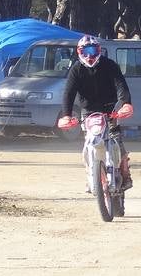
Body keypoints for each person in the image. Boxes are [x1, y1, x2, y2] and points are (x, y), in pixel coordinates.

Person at [57, 35, 135, 191]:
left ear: (99, 50)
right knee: (88, 142)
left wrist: (125, 104)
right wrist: (66, 115)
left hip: (110, 110)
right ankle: (90, 175)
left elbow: (121, 86)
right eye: (85, 51)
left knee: (116, 139)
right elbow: (68, 93)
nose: (89, 55)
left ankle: (126, 175)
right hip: (88, 113)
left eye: (93, 50)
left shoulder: (110, 65)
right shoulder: (76, 70)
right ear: (79, 52)